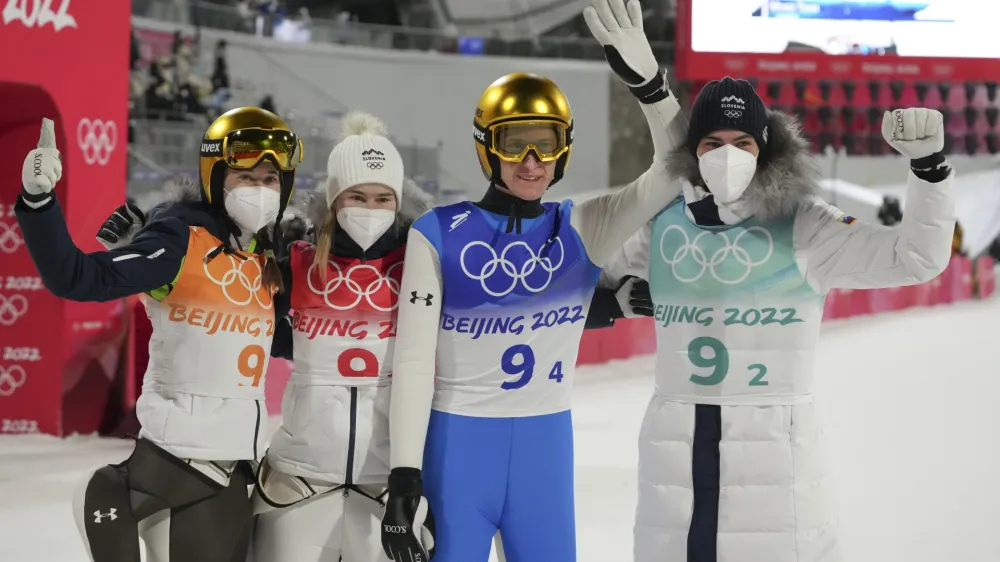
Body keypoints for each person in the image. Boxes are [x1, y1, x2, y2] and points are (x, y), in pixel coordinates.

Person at [593, 79, 956, 562]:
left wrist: (928, 169)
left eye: (742, 143)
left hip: (774, 455)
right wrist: (612, 301)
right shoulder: (662, 224)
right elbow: (580, 287)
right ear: (692, 152)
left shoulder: (805, 223)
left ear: (764, 147)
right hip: (675, 453)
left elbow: (916, 258)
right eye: (713, 144)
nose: (728, 155)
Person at [379, 1, 687, 560]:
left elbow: (676, 168)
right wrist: (403, 478)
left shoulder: (584, 225)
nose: (529, 160)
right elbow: (413, 362)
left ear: (562, 149)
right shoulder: (437, 233)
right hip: (456, 451)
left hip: (544, 452)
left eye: (544, 143)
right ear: (485, 146)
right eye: (512, 141)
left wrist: (651, 87)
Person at [15, 107, 302, 562]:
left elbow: (278, 342)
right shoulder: (180, 241)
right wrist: (37, 201)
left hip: (234, 469)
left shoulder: (261, 261)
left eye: (270, 179)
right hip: (175, 462)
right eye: (245, 177)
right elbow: (75, 277)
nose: (260, 190)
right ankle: (111, 489)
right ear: (216, 178)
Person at [250, 111, 428, 562]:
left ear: (398, 200)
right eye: (356, 196)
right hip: (298, 480)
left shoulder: (422, 267)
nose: (369, 209)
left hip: (386, 488)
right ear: (333, 199)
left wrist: (605, 305)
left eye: (382, 197)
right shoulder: (297, 260)